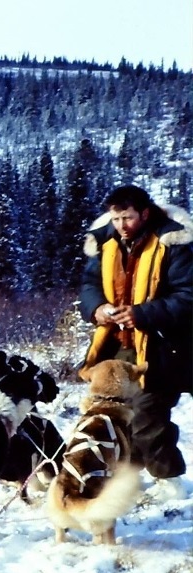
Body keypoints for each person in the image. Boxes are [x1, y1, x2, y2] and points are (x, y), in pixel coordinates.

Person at [79, 185, 193, 501]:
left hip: (162, 345)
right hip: (115, 344)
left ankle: (169, 479)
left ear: (144, 213)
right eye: (116, 218)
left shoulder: (173, 242)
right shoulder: (105, 242)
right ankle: (130, 473)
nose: (121, 225)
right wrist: (97, 308)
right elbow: (89, 285)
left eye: (127, 218)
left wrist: (142, 314)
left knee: (147, 415)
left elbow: (188, 296)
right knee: (114, 412)